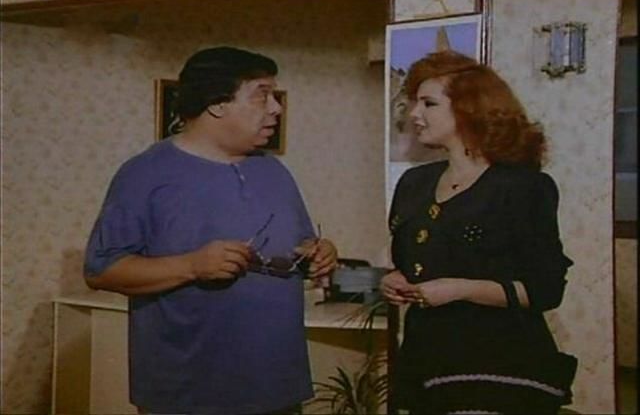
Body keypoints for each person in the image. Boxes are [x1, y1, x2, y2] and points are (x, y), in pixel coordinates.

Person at [83, 46, 338, 415]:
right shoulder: (143, 174)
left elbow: (298, 247)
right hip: (187, 395)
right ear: (218, 104)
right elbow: (100, 270)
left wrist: (319, 253)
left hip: (278, 389)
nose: (276, 108)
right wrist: (192, 266)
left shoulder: (275, 172)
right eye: (262, 95)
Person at [380, 50, 576, 415]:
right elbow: (415, 262)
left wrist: (459, 289)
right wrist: (396, 279)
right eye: (414, 102)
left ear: (468, 109)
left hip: (499, 366)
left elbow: (546, 290)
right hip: (427, 359)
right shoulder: (413, 183)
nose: (414, 114)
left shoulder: (523, 187)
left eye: (429, 103)